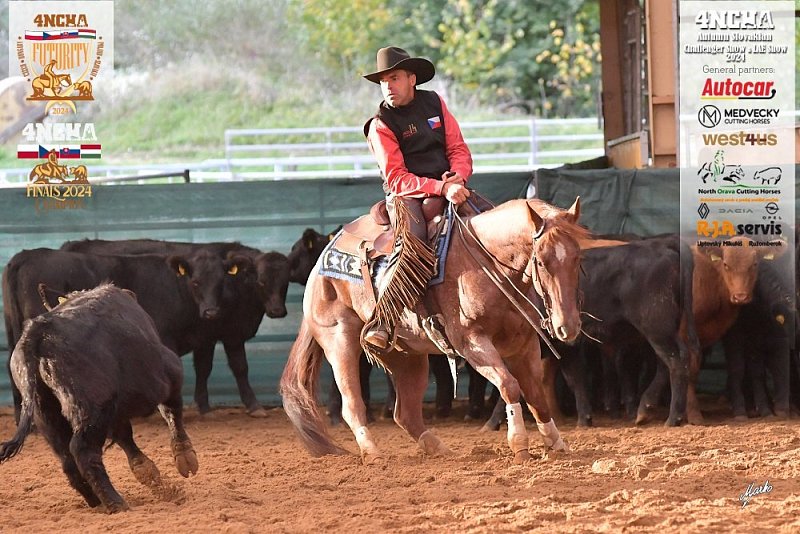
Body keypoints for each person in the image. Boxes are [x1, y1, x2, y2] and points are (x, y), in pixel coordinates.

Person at [361, 46, 473, 349]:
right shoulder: (380, 124)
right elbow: (397, 179)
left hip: (448, 183)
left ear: (412, 79)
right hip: (405, 195)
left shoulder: (434, 102)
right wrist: (442, 188)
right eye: (383, 81)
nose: (388, 86)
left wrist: (458, 176)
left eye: (394, 78)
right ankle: (384, 319)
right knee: (414, 246)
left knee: (488, 221)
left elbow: (457, 148)